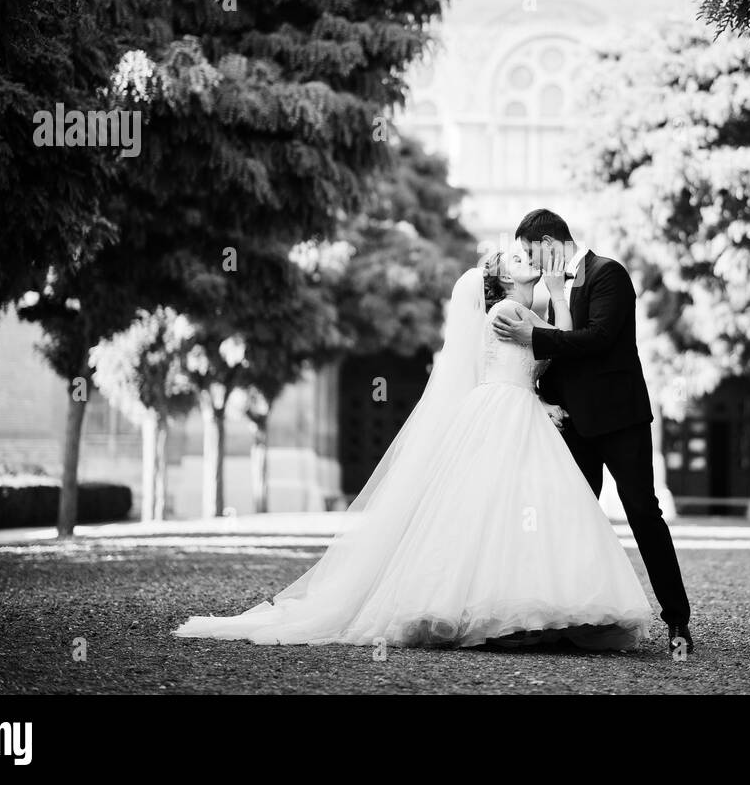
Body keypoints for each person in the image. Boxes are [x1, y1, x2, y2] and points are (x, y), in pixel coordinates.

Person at [174, 243, 651, 649]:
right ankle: (498, 609)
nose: (524, 257)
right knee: (499, 506)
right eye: (513, 256)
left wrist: (557, 295)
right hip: (503, 413)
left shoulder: (531, 313)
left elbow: (550, 354)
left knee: (525, 506)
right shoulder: (506, 313)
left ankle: (534, 609)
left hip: (523, 409)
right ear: (502, 276)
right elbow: (547, 348)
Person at [492, 209, 694, 654]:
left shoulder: (608, 274)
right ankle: (570, 620)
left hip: (620, 421)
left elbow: (597, 339)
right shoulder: (549, 292)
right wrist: (541, 396)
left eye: (529, 251)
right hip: (574, 426)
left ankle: (677, 621)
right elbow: (555, 359)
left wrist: (533, 336)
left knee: (643, 513)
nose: (526, 259)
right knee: (570, 520)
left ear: (548, 243)